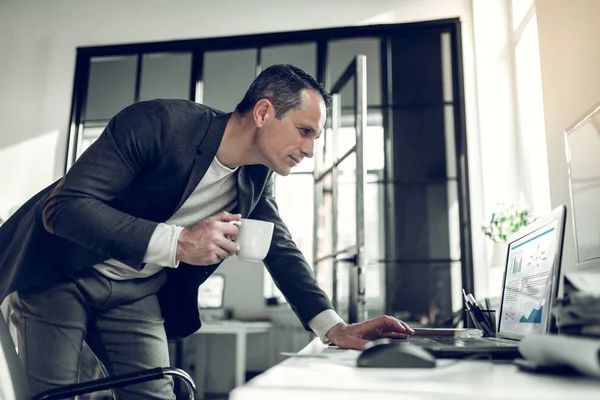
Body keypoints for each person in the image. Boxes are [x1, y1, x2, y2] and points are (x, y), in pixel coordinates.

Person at [0, 64, 414, 399]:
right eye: (304, 131)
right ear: (264, 112)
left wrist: (333, 328)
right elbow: (65, 208)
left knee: (157, 395)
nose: (309, 150)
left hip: (135, 290)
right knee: (53, 397)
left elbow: (279, 247)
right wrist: (177, 242)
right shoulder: (158, 124)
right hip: (62, 273)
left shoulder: (256, 174)